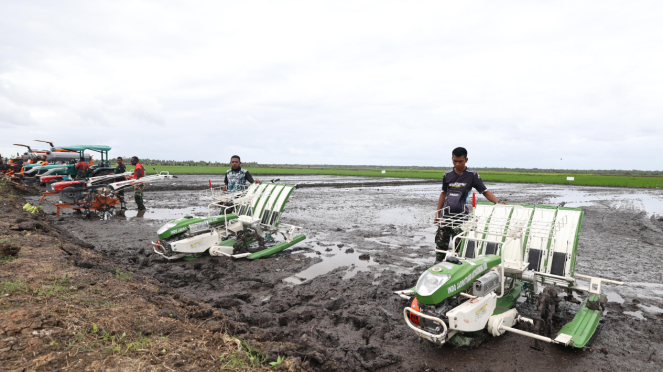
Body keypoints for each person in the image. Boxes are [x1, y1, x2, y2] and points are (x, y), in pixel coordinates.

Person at [434, 147, 506, 262]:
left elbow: (485, 191)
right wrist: (438, 213)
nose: (457, 164)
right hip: (445, 217)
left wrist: (497, 202)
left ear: (466, 160)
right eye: (454, 161)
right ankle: (437, 264)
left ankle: (458, 267)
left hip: (461, 218)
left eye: (460, 161)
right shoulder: (447, 174)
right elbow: (443, 194)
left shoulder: (472, 175)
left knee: (460, 246)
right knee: (440, 244)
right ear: (452, 159)